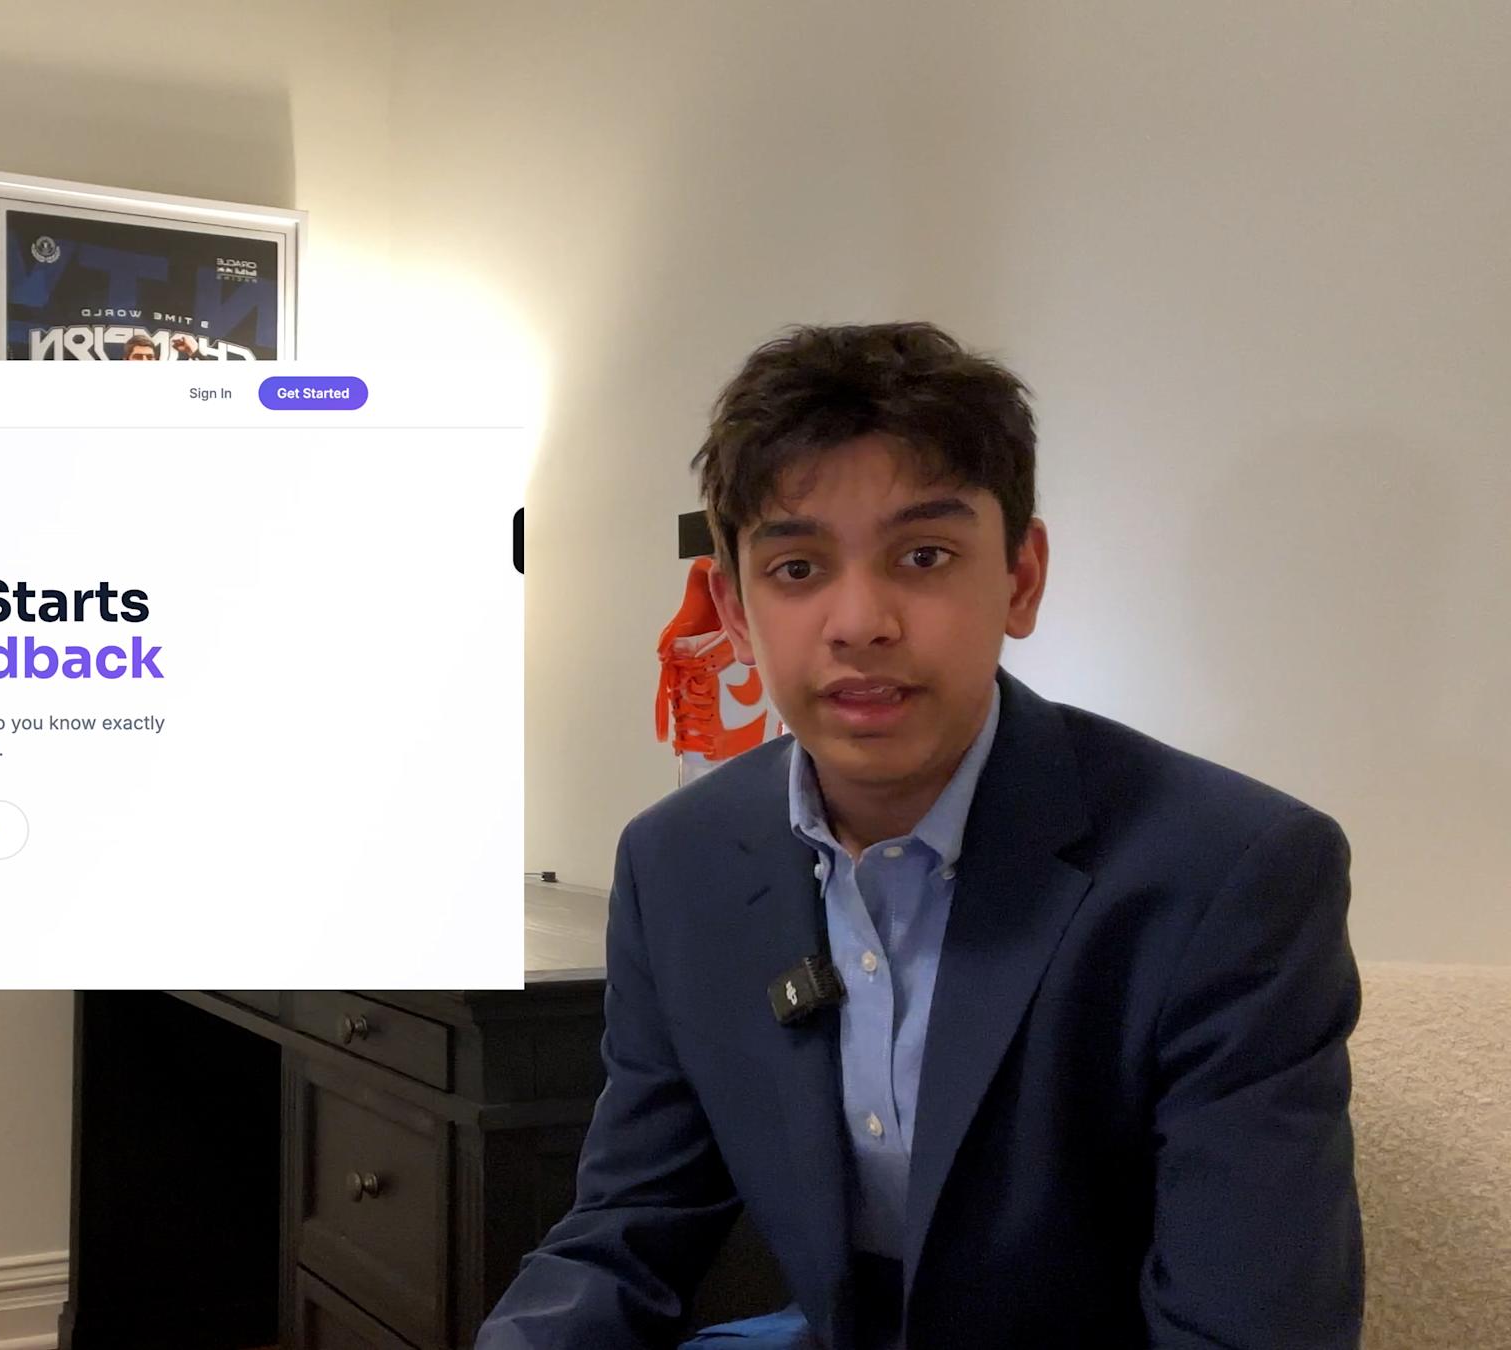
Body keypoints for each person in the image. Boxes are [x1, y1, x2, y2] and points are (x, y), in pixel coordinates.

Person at [476, 322, 1362, 1349]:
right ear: (734, 605)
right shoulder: (678, 865)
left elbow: (1246, 1329)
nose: (860, 621)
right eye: (797, 568)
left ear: (1021, 578)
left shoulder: (1230, 876)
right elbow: (628, 1227)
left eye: (925, 555)